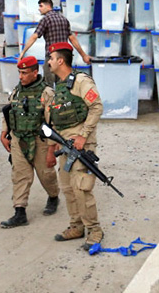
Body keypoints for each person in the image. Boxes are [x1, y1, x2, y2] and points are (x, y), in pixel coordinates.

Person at [44, 42, 104, 251]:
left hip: (80, 145)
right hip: (64, 145)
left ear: (61, 60)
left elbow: (97, 106)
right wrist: (51, 149)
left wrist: (83, 135)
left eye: (51, 58)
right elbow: (53, 122)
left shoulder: (80, 81)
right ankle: (76, 226)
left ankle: (94, 230)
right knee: (68, 188)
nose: (49, 62)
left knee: (81, 188)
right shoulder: (58, 87)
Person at [0, 56, 60, 228]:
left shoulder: (46, 93)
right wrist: (4, 133)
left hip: (40, 141)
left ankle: (53, 196)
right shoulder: (16, 92)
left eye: (25, 73)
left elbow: (52, 124)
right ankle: (20, 212)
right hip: (19, 140)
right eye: (19, 72)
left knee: (46, 174)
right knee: (20, 175)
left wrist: (51, 150)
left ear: (35, 72)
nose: (21, 76)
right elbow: (9, 113)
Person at [18, 0, 90, 84]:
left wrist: (23, 52)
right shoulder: (64, 19)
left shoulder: (45, 20)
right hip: (64, 59)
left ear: (48, 6)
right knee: (64, 86)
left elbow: (34, 36)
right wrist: (83, 55)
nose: (39, 9)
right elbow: (72, 38)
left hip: (51, 58)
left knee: (49, 86)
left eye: (41, 6)